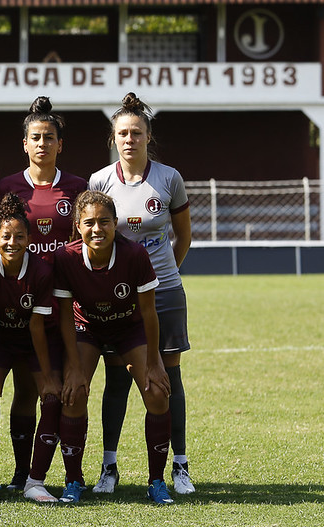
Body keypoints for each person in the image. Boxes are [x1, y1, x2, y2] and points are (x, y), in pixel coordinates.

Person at [87, 92, 194, 495]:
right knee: (117, 379)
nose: (129, 139)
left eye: (137, 132)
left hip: (164, 292)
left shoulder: (169, 178)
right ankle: (109, 466)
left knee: (168, 378)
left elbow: (181, 238)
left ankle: (180, 465)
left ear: (149, 137)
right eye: (122, 133)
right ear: (113, 138)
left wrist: (163, 275)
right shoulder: (100, 181)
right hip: (115, 297)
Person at [53, 190, 174, 505]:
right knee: (74, 393)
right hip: (87, 328)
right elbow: (65, 316)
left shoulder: (133, 255)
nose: (97, 229)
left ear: (115, 223)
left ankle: (157, 481)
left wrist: (155, 362)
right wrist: (74, 367)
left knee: (158, 392)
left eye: (104, 222)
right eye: (89, 223)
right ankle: (73, 480)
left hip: (128, 327)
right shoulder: (66, 258)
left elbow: (149, 312)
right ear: (78, 226)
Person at [0, 96, 86, 489]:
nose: (43, 144)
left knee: (64, 390)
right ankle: (21, 471)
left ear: (60, 145)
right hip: (18, 305)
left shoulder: (78, 187)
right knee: (24, 392)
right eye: (36, 137)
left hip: (62, 306)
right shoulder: (8, 187)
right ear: (25, 144)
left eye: (50, 137)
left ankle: (68, 474)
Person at [0, 193, 63, 503]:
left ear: (30, 239)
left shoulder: (41, 272)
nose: (12, 242)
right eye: (6, 236)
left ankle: (34, 481)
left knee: (51, 398)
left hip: (34, 339)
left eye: (19, 236)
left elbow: (37, 328)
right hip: (0, 340)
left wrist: (48, 375)